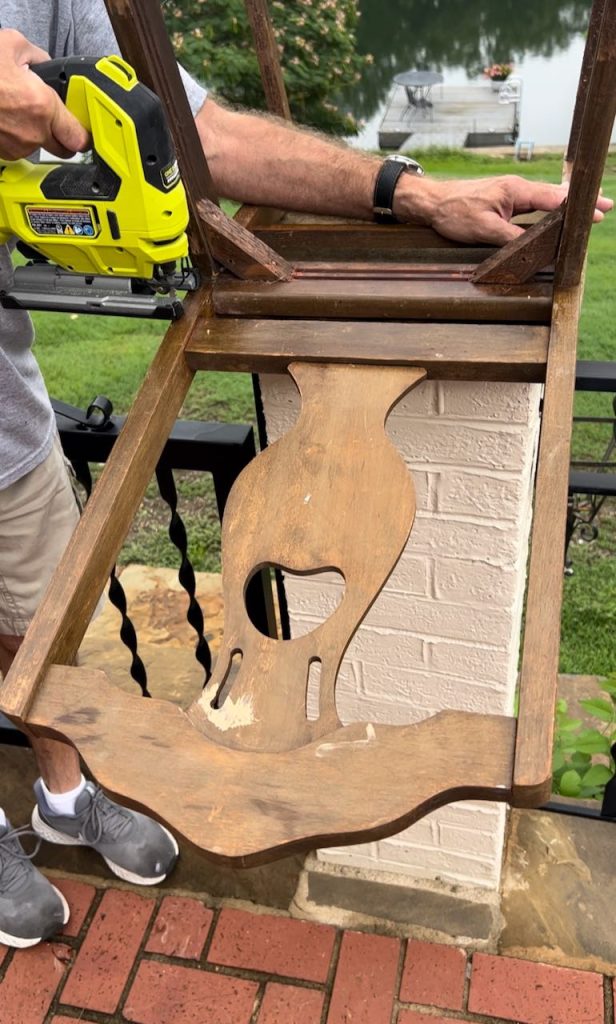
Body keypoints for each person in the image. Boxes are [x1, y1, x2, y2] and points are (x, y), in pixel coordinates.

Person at [0, 1, 611, 950]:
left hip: (7, 432)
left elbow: (190, 136)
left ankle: (62, 796)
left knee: (31, 633)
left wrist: (412, 193)